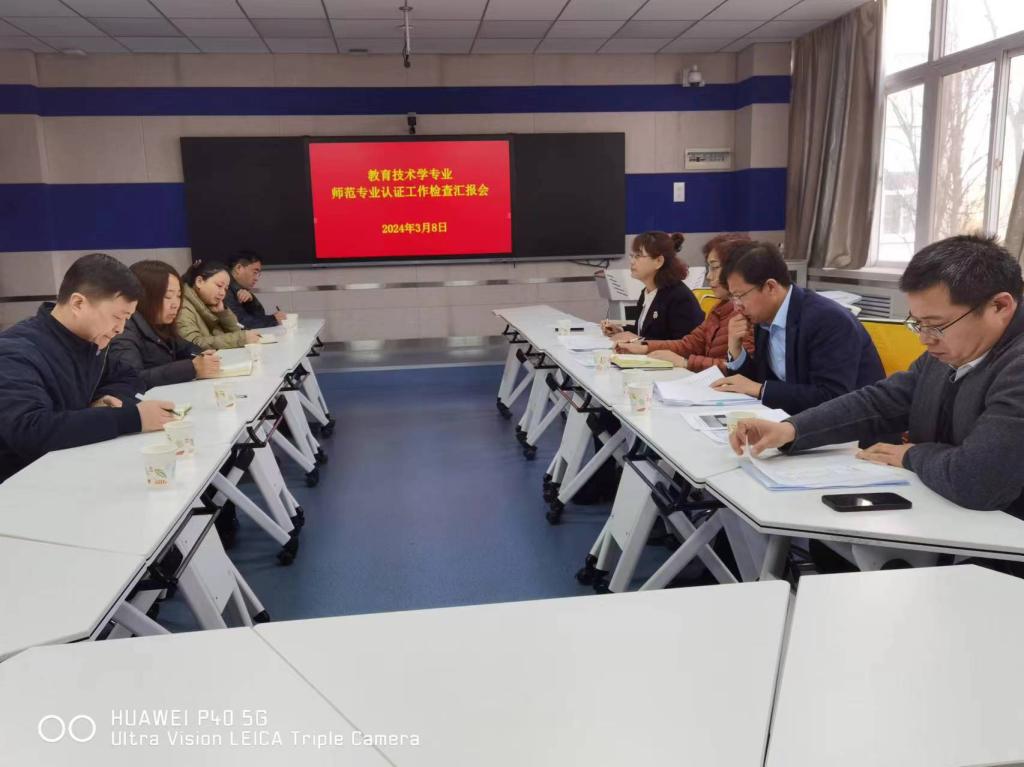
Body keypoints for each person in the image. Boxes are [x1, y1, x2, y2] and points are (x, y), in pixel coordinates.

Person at [730, 234, 1024, 521]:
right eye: (918, 324)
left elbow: (978, 480)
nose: (925, 339)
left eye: (937, 325)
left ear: (999, 306)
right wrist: (791, 430)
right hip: (942, 509)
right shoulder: (953, 351)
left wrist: (911, 455)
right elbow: (880, 402)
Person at [0, 253, 176, 482]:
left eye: (127, 319)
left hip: (75, 468)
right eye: (117, 317)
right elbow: (30, 431)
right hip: (23, 484)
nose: (120, 329)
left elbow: (130, 377)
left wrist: (105, 399)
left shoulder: (88, 342)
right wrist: (132, 418)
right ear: (78, 303)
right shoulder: (15, 352)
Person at [710, 241, 884, 414]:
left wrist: (761, 390)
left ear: (770, 287)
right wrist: (736, 349)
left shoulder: (828, 320)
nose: (737, 306)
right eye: (733, 297)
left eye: (740, 296)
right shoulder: (764, 317)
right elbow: (756, 383)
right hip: (798, 418)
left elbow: (831, 396)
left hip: (855, 422)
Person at [615, 234, 754, 371]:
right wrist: (644, 346)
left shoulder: (748, 315)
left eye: (715, 267)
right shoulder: (719, 309)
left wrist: (686, 362)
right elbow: (689, 344)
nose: (708, 276)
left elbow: (740, 370)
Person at [109, 261, 222, 389]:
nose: (175, 304)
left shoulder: (161, 323)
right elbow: (130, 379)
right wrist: (191, 368)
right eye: (168, 296)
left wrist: (202, 354)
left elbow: (184, 347)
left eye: (178, 296)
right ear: (144, 297)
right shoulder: (124, 329)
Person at [600, 231, 704, 343]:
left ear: (658, 261)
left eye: (638, 256)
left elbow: (683, 344)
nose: (632, 262)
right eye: (632, 256)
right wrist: (620, 330)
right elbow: (643, 331)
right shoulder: (647, 292)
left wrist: (637, 340)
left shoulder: (679, 298)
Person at [177, 259, 260, 350]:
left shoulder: (211, 303)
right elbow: (194, 344)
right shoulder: (183, 308)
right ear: (199, 282)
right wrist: (240, 339)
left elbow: (237, 330)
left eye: (225, 289)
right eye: (219, 286)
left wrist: (223, 314)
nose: (222, 293)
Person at [225, 251, 286, 330]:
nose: (256, 278)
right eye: (255, 272)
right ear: (239, 268)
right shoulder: (225, 289)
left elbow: (260, 316)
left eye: (258, 274)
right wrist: (274, 319)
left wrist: (251, 300)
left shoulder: (240, 289)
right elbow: (241, 324)